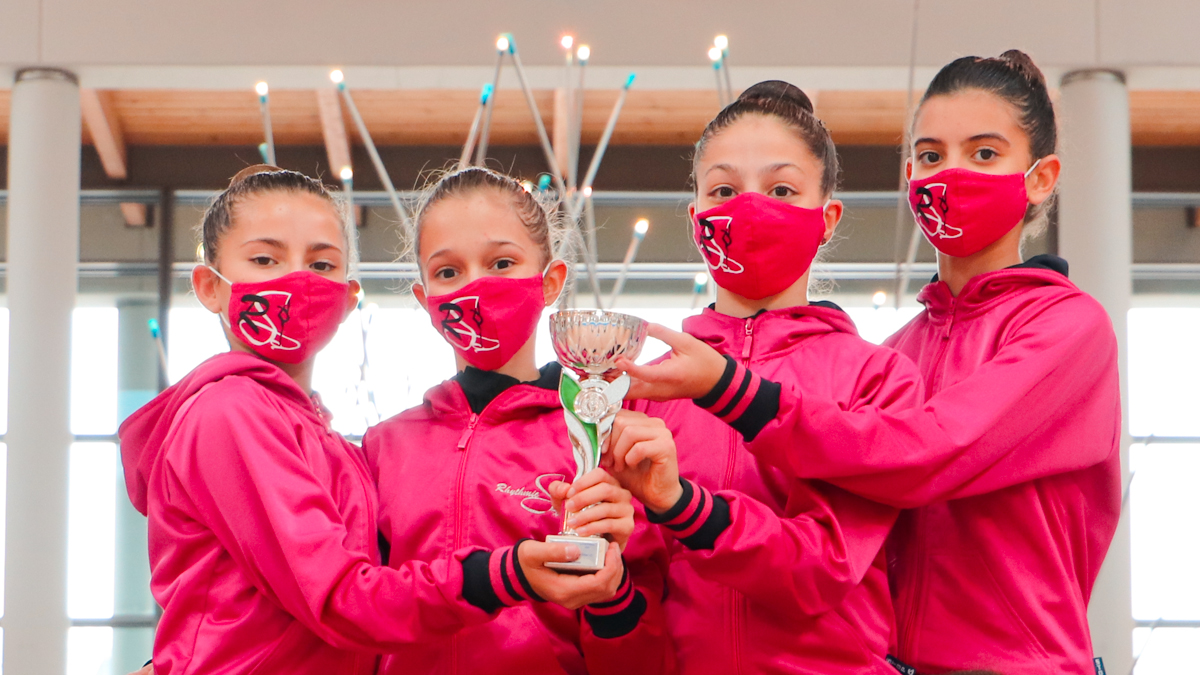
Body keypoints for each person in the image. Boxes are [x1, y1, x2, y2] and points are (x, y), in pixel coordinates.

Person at [622, 52, 1121, 675]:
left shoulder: (1067, 329)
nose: (951, 173)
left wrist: (728, 389)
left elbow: (926, 454)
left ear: (1041, 177)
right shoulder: (898, 350)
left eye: (984, 153)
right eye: (932, 155)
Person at [119, 166, 632, 674]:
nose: (296, 279)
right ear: (210, 287)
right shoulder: (234, 412)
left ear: (347, 299)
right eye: (264, 259)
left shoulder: (342, 449)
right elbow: (342, 599)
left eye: (321, 264)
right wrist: (507, 572)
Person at [601, 81, 925, 673]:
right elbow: (637, 598)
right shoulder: (645, 387)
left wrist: (680, 504)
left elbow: (824, 568)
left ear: (827, 219)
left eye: (781, 189)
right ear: (698, 216)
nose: (750, 207)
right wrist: (606, 576)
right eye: (724, 189)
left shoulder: (878, 380)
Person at [361, 166, 674, 674]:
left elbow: (645, 657)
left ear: (548, 282)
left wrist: (612, 592)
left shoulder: (603, 436)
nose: (475, 286)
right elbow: (362, 613)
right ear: (426, 302)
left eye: (501, 263)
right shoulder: (383, 446)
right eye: (447, 272)